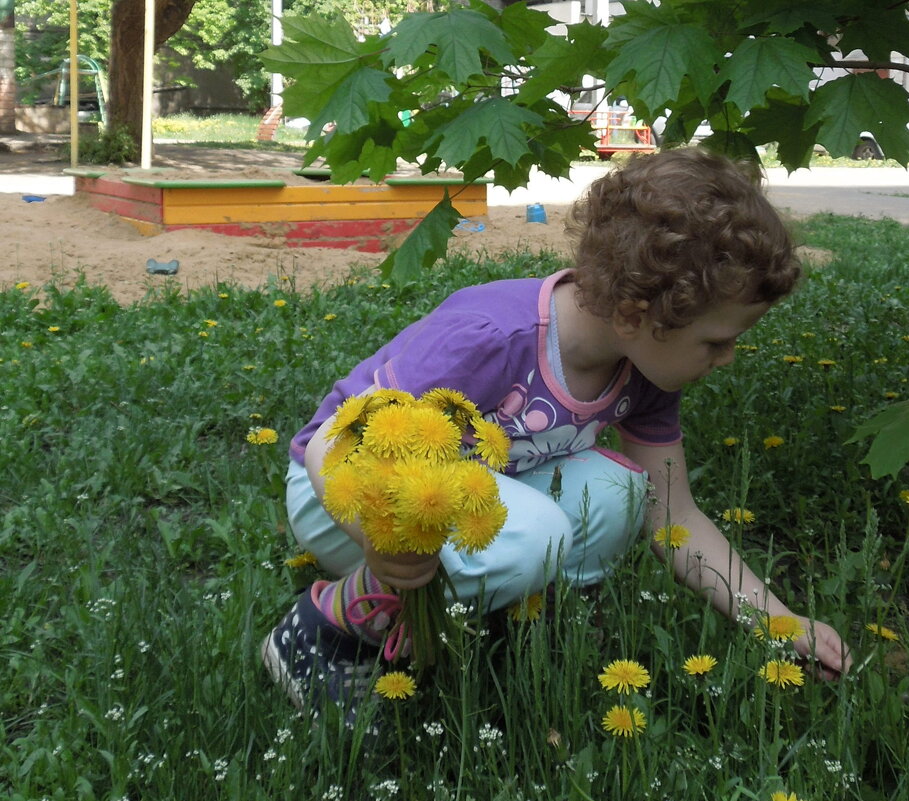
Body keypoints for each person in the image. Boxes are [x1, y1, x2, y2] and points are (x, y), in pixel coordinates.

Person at [261, 147, 852, 725]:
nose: (726, 359)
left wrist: (780, 620)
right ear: (634, 313)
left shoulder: (645, 366)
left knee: (624, 492)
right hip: (343, 497)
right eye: (716, 341)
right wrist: (380, 542)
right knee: (534, 533)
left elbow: (675, 517)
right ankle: (334, 622)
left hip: (479, 503)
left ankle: (521, 617)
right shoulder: (492, 334)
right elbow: (334, 444)